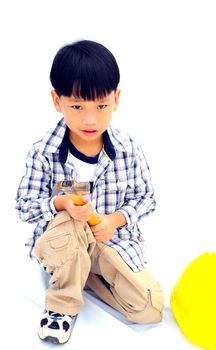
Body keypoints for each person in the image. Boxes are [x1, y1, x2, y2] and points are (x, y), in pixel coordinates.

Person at [15, 39, 164, 344]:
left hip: (109, 242)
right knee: (72, 221)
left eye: (101, 106)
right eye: (77, 106)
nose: (90, 119)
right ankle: (61, 307)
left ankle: (82, 276)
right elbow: (24, 206)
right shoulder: (43, 152)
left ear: (116, 99)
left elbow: (147, 198)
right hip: (61, 242)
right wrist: (61, 203)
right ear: (58, 102)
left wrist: (116, 220)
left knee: (149, 309)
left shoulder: (127, 149)